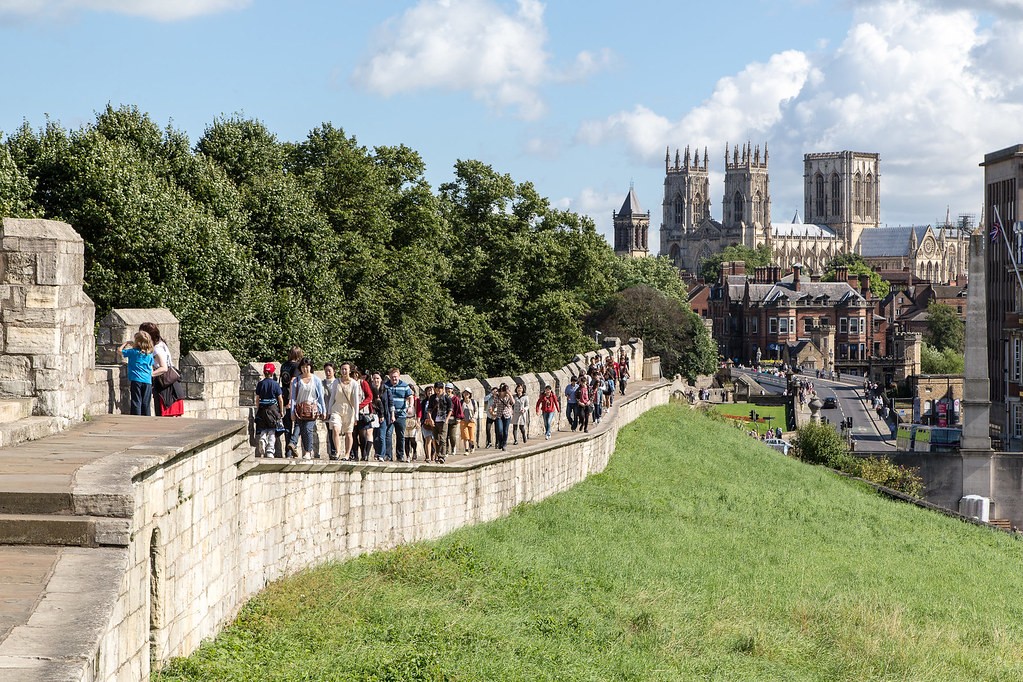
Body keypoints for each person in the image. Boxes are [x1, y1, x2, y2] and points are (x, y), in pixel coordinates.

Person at [139, 322, 182, 417]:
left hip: (165, 384)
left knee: (164, 416)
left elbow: (164, 368)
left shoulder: (156, 349)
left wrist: (149, 374)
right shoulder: (162, 344)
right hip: (170, 382)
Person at [290, 358, 325, 459]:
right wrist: (292, 411)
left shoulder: (316, 380)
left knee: (308, 429)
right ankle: (306, 450)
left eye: (307, 366)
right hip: (300, 410)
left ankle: (308, 452)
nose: (305, 369)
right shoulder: (297, 380)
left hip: (312, 409)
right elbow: (293, 398)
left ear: (311, 367)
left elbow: (320, 397)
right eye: (303, 367)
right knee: (303, 430)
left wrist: (323, 410)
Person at [331, 362, 362, 462]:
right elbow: (332, 397)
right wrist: (328, 410)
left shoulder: (354, 383)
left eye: (346, 369)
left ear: (349, 370)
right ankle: (338, 451)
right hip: (337, 408)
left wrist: (356, 415)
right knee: (335, 429)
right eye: (342, 369)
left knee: (349, 433)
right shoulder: (336, 382)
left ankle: (347, 454)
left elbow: (356, 401)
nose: (344, 371)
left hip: (349, 410)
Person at [120, 331, 155, 416]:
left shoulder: (132, 352)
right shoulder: (149, 354)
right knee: (146, 403)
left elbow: (120, 351)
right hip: (147, 380)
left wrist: (125, 343)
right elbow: (151, 364)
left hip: (136, 380)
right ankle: (147, 419)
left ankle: (136, 418)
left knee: (136, 401)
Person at [254, 363, 284, 458]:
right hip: (273, 410)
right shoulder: (275, 384)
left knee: (263, 428)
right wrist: (281, 411)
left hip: (262, 409)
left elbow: (257, 398)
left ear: (263, 372)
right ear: (273, 373)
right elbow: (280, 399)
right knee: (272, 430)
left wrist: (258, 409)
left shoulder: (260, 384)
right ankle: (270, 451)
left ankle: (262, 439)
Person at [385, 368, 415, 462]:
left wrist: (410, 406)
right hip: (389, 414)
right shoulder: (386, 386)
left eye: (396, 377)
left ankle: (400, 456)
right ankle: (388, 455)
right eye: (392, 377)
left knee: (400, 436)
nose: (394, 379)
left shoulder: (405, 386)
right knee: (388, 434)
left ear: (399, 376)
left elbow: (410, 397)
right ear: (389, 377)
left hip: (401, 414)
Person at [280, 346, 304, 458]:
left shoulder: (284, 365)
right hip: (293, 396)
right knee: (299, 421)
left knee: (287, 425)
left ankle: (288, 453)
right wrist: (291, 398)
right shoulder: (297, 366)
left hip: (283, 395)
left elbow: (282, 380)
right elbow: (293, 381)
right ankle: (293, 442)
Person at [369, 372, 393, 461]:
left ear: (381, 379)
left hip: (384, 416)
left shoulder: (386, 390)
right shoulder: (370, 390)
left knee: (382, 436)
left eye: (378, 378)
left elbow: (391, 403)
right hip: (374, 416)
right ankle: (377, 453)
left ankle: (382, 455)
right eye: (374, 378)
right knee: (375, 436)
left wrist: (392, 415)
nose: (376, 380)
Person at [352, 368, 374, 461]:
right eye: (352, 375)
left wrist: (360, 405)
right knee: (353, 434)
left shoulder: (362, 383)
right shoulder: (347, 384)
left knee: (363, 434)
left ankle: (364, 453)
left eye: (356, 375)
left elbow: (370, 396)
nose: (354, 377)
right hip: (351, 412)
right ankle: (355, 455)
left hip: (362, 412)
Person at [427, 381, 452, 462]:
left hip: (443, 420)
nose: (438, 391)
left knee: (443, 439)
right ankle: (438, 454)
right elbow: (429, 410)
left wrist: (447, 419)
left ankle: (442, 456)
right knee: (436, 439)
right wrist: (430, 419)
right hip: (435, 420)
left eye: (440, 389)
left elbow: (450, 409)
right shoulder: (432, 398)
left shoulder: (446, 397)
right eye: (437, 389)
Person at [321, 363, 340, 460]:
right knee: (330, 431)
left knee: (335, 431)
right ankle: (333, 451)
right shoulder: (322, 383)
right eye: (326, 371)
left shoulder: (337, 383)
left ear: (334, 371)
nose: (328, 373)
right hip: (327, 410)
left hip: (336, 411)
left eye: (329, 370)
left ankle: (336, 451)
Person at [493, 384, 515, 451]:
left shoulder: (508, 396)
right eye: (503, 391)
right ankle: (500, 442)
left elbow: (513, 402)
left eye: (505, 391)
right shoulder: (497, 396)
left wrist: (510, 394)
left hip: (507, 415)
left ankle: (504, 444)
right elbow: (494, 404)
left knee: (505, 431)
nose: (504, 392)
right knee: (500, 430)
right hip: (499, 415)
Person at [421, 385, 436, 462]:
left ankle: (436, 455)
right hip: (426, 423)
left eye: (431, 391)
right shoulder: (424, 402)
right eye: (428, 391)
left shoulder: (436, 400)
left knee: (435, 440)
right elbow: (422, 412)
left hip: (434, 423)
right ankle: (428, 457)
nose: (430, 392)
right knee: (427, 440)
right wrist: (422, 421)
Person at [460, 388, 477, 455]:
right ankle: (466, 450)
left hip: (471, 421)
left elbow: (476, 411)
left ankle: (472, 447)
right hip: (463, 421)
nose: (466, 394)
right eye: (465, 393)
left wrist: (474, 417)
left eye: (467, 393)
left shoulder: (473, 402)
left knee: (471, 437)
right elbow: (459, 411)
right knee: (465, 437)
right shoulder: (461, 402)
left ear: (470, 394)